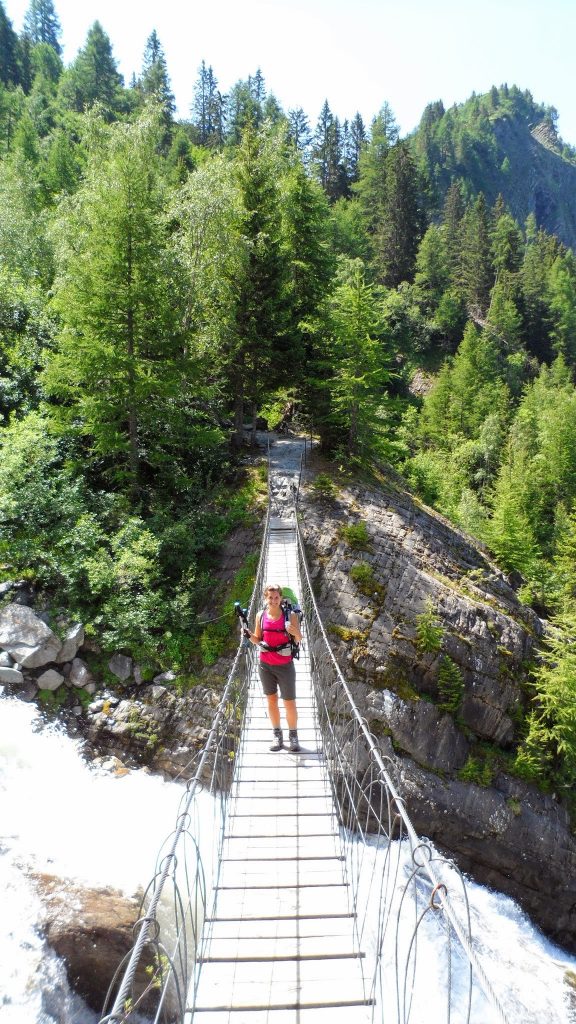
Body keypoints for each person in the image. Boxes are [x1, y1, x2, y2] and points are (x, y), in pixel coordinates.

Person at [247, 583, 302, 752]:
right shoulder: (260, 615)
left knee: (289, 702)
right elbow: (258, 638)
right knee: (271, 700)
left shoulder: (290, 615)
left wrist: (295, 632)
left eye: (276, 597)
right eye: (270, 597)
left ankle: (293, 737)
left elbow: (299, 639)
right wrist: (248, 635)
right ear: (265, 598)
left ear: (281, 598)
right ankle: (277, 735)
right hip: (265, 665)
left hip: (285, 665)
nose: (273, 600)